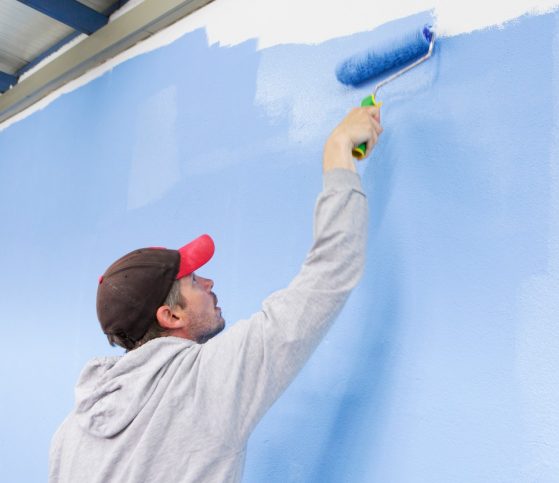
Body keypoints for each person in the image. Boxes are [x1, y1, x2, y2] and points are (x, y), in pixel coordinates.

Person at [49, 106, 383, 482]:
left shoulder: (69, 433)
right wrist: (338, 151)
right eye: (193, 282)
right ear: (170, 316)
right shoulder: (203, 383)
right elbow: (326, 277)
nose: (208, 284)